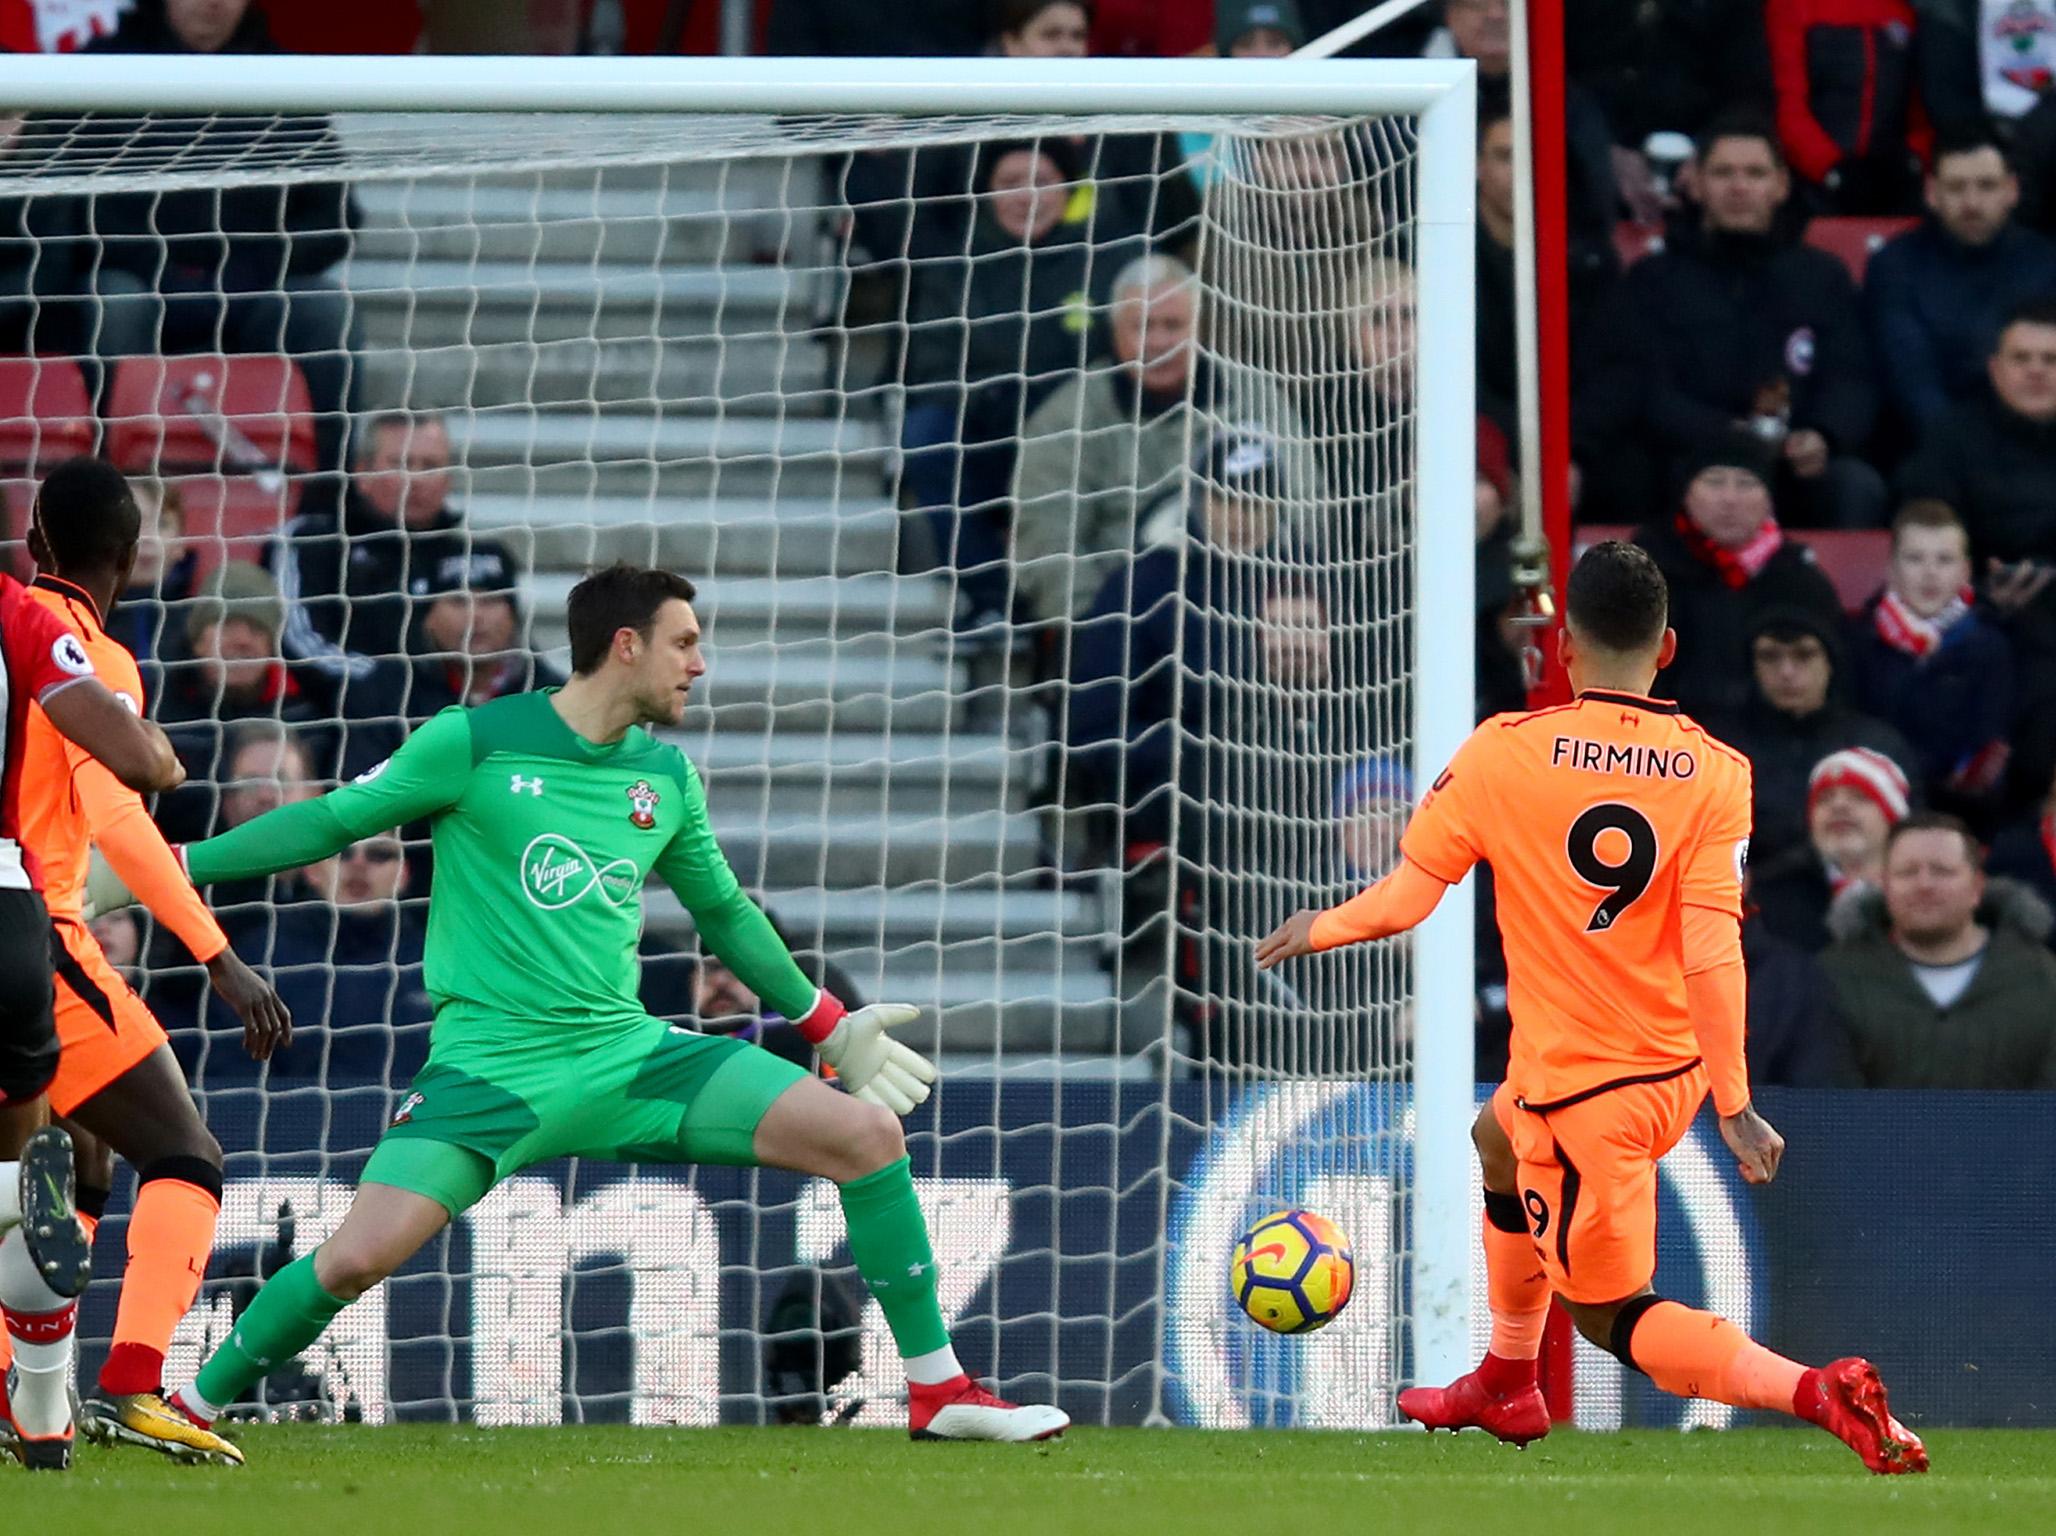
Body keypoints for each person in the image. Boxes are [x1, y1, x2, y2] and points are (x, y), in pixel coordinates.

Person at [162, 564, 1068, 1446]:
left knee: (868, 1139)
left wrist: (827, 1023)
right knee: (355, 1258)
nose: (698, 664)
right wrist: (161, 873)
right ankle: (190, 1404)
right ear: (626, 647)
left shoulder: (666, 778)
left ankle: (938, 1389)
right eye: (684, 643)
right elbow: (326, 824)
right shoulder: (473, 740)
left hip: (630, 1057)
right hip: (492, 1067)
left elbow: (723, 912)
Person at [1256, 540, 1927, 1475]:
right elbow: (1710, 948)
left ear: (1563, 645)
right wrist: (1730, 1101)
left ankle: (1817, 1389)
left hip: (1585, 1093)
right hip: (1667, 1070)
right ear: (1667, 649)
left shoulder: (1501, 752)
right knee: (1495, 1137)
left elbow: (1407, 901)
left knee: (1614, 1316)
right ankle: (1506, 1379)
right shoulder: (1717, 772)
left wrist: (1321, 925)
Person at [7, 456, 288, 1468]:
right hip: (35, 936)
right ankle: (133, 1381)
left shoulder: (11, 625)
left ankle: (20, 1390)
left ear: (35, 542)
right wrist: (218, 955)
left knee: (79, 1159)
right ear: (132, 556)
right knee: (186, 1154)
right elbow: (123, 816)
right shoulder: (89, 657)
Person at [0, 494, 187, 1474]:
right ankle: (80, 1398)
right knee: (158, 1157)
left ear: (39, 544)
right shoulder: (37, 626)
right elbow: (131, 783)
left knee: (76, 1161)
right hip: (20, 916)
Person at [81, 0, 361, 475]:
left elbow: (335, 218)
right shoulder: (100, 70)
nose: (212, 4)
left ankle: (329, 497)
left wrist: (256, 265)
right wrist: (163, 266)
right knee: (116, 302)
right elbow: (75, 211)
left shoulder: (287, 81)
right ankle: (101, 488)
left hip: (253, 290)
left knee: (323, 308)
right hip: (142, 283)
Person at [1009, 253, 1308, 626]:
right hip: (1116, 615)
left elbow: (1306, 504)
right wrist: (1098, 623)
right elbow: (1045, 535)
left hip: (1246, 614)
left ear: (1200, 328)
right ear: (1116, 333)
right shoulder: (1070, 414)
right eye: (1143, 327)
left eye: (1173, 325)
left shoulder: (1253, 398)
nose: (1159, 342)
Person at [1616, 114, 1884, 528]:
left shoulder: (1822, 276)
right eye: (1723, 173)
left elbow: (1851, 376)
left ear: (1781, 185)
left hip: (1793, 465)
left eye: (1755, 173)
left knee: (1856, 487)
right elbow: (1646, 390)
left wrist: (1823, 434)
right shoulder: (1654, 279)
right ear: (1697, 184)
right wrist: (1727, 435)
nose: (1739, 186)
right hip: (1693, 462)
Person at [899, 139, 1092, 622]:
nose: (1026, 196)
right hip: (983, 429)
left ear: (1068, 189)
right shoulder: (953, 264)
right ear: (986, 191)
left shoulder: (1105, 257)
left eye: (1041, 183)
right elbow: (930, 366)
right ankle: (991, 598)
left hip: (1079, 432)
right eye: (1009, 183)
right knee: (924, 437)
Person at [1895, 300, 2056, 800]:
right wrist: (1978, 584)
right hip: (1968, 608)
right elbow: (1925, 522)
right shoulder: (1953, 435)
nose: (2036, 371)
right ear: (1994, 367)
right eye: (2022, 358)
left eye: (2051, 360)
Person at [1821, 813, 2056, 1086]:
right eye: (1907, 872)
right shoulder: (1834, 979)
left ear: (1977, 886)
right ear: (1884, 886)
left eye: (1942, 871)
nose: (1924, 885)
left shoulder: (2041, 977)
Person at [1633, 429, 1845, 720]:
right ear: (1686, 491)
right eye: (1714, 481)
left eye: (1746, 483)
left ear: (1770, 498)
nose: (1730, 498)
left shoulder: (1799, 580)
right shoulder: (1645, 570)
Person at [1865, 134, 2056, 434]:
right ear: (1931, 193)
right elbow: (1913, 382)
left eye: (1987, 186)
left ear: (2012, 190)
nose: (1972, 203)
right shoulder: (1895, 265)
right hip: (1934, 450)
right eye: (1956, 187)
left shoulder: (2047, 263)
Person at [269, 411, 468, 684]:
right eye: (402, 464)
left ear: (449, 478)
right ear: (363, 473)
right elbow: (298, 642)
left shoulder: (470, 557)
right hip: (335, 717)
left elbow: (511, 657)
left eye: (430, 465)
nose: (417, 479)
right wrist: (388, 686)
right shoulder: (312, 541)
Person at [1720, 605, 1918, 865]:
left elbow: (1909, 834)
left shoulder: (1877, 745)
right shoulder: (1722, 750)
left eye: (1804, 655)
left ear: (1830, 662)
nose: (1786, 672)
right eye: (1770, 657)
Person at [1849, 501, 2014, 811]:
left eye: (1944, 560)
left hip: (1959, 810)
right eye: (1915, 559)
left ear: (1965, 571)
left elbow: (1988, 742)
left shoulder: (1990, 646)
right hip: (1875, 799)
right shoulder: (1859, 640)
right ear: (1891, 569)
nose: (1930, 572)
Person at [1765, 0, 1931, 214]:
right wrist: (1830, 168)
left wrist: (1911, 159)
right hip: (1813, 185)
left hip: (1897, 184)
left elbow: (1926, 108)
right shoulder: (1793, 6)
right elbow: (1787, 105)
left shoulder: (1908, 10)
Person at [1750, 746, 1910, 952]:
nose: (1839, 806)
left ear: (1894, 817)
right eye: (1824, 799)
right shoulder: (1770, 893)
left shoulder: (1925, 888)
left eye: (1859, 797)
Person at [402, 538, 564, 719]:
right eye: (459, 602)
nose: (475, 616)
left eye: (490, 600)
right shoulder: (393, 694)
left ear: (513, 614)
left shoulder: (556, 699)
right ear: (427, 618)